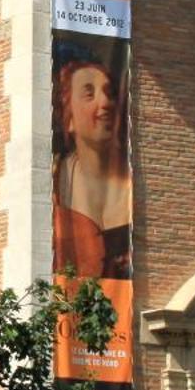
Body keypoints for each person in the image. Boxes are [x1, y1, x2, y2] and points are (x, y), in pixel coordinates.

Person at [51, 46, 132, 279]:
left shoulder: (133, 179)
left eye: (110, 93)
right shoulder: (54, 182)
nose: (106, 103)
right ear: (69, 119)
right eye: (89, 94)